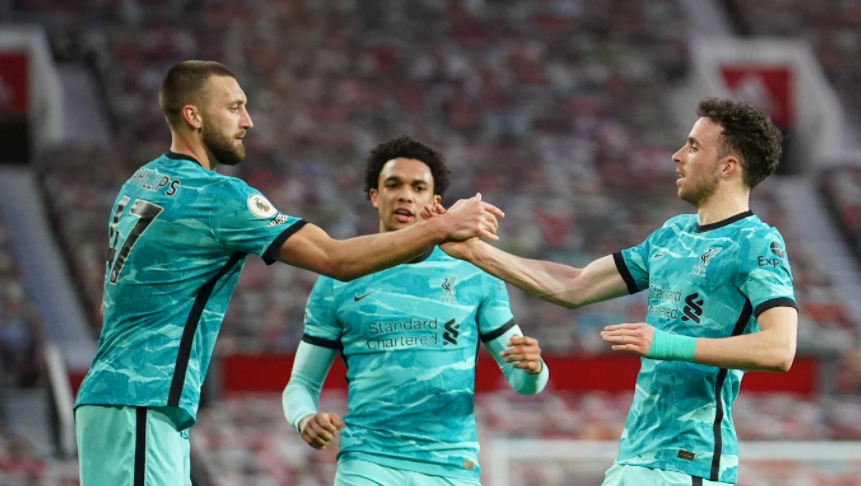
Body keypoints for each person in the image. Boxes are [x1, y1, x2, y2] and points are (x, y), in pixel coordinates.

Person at [73, 61, 503, 486]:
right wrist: (443, 226)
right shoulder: (217, 197)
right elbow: (336, 259)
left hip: (118, 399)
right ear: (194, 115)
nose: (247, 121)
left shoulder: (141, 181)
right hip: (141, 402)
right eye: (234, 107)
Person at [425, 98, 797, 486]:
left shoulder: (756, 242)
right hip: (637, 456)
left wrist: (667, 344)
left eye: (693, 146)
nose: (677, 155)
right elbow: (575, 284)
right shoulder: (672, 234)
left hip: (690, 462)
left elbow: (779, 348)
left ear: (728, 166)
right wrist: (474, 251)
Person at [282, 136, 549, 486]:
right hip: (367, 465)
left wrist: (533, 368)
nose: (405, 195)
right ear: (375, 196)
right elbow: (301, 383)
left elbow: (524, 383)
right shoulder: (337, 278)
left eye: (418, 187)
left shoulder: (474, 272)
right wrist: (304, 418)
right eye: (393, 184)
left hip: (452, 468)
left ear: (434, 202)